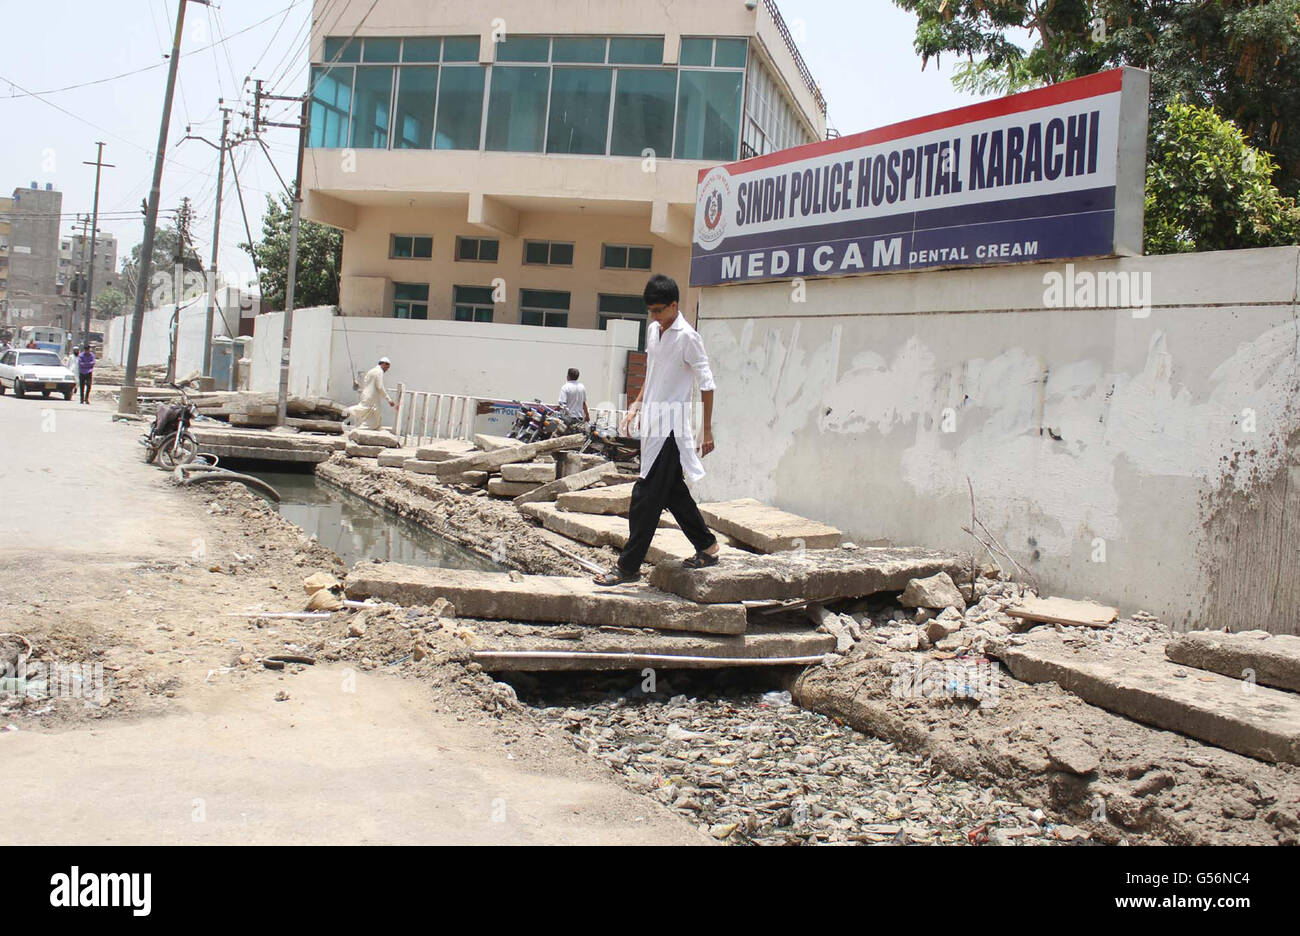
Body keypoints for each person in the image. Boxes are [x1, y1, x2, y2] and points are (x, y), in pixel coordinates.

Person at [596, 274, 720, 586]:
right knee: (673, 492)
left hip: (671, 428)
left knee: (646, 496)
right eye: (650, 311)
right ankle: (707, 545)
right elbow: (653, 373)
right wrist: (637, 402)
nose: (654, 317)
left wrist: (707, 430)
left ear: (674, 306)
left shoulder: (688, 338)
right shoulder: (654, 331)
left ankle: (628, 566)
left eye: (659, 310)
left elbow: (707, 384)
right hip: (652, 423)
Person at [345, 356, 396, 429]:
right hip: (371, 397)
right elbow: (380, 387)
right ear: (384, 364)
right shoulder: (379, 371)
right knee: (363, 409)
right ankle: (345, 411)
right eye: (387, 368)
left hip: (368, 395)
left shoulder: (372, 371)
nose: (386, 370)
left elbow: (365, 383)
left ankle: (370, 427)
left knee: (374, 414)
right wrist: (389, 399)